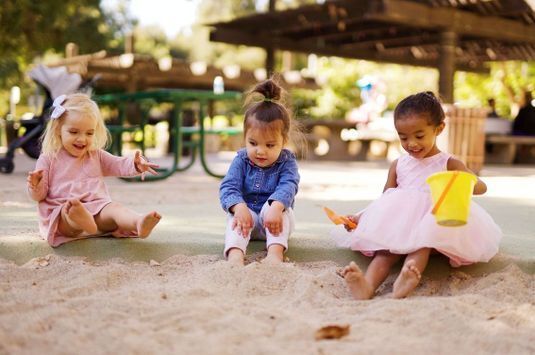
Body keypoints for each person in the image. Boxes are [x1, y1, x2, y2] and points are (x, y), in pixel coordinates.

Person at [332, 92, 502, 299]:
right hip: (399, 223)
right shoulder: (398, 164)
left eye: (419, 136)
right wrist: (360, 217)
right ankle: (366, 286)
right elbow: (385, 199)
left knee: (422, 245)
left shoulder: (448, 163)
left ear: (439, 128)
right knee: (385, 251)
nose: (411, 143)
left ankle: (407, 278)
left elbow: (481, 188)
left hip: (433, 220)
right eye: (403, 137)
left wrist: (461, 179)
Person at [27, 93, 162, 247]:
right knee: (69, 211)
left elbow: (118, 164)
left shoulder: (95, 155)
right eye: (74, 132)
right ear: (58, 129)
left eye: (89, 133)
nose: (82, 139)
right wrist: (35, 185)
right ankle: (80, 219)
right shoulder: (48, 158)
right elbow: (39, 196)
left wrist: (136, 164)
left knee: (115, 208)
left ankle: (138, 222)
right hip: (64, 216)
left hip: (98, 213)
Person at [219, 79, 300, 265]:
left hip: (276, 219)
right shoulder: (241, 159)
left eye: (270, 145)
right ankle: (235, 255)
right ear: (245, 138)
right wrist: (239, 207)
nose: (260, 151)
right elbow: (228, 187)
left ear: (283, 141)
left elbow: (289, 185)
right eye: (253, 143)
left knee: (280, 209)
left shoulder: (287, 161)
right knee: (233, 216)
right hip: (247, 219)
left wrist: (276, 206)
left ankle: (275, 254)